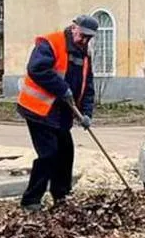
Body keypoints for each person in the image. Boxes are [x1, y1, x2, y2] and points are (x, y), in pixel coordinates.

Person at [17, 16, 96, 211]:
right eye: (82, 36)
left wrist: (86, 113)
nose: (84, 40)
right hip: (38, 110)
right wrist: (62, 88)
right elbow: (36, 68)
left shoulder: (85, 54)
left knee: (66, 152)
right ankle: (31, 200)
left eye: (89, 38)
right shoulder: (51, 43)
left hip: (61, 114)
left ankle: (61, 195)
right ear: (74, 27)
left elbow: (88, 87)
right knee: (49, 154)